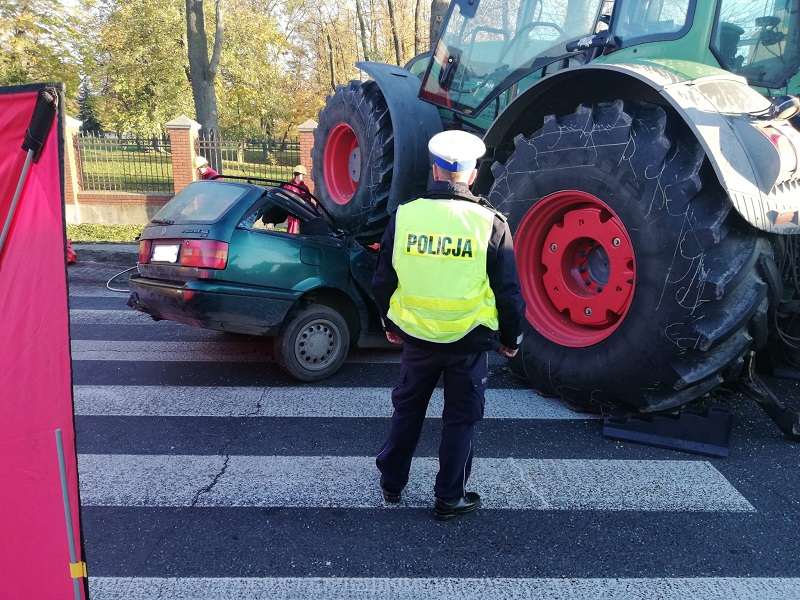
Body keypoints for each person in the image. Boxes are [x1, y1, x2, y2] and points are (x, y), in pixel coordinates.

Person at [370, 129, 525, 521]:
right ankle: (449, 497)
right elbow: (507, 290)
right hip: (468, 344)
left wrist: (389, 321)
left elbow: (383, 279)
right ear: (472, 176)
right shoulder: (490, 223)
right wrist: (511, 338)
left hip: (418, 339)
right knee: (460, 419)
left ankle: (392, 483)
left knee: (407, 411)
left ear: (435, 170)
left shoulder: (405, 215)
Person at [283, 165, 311, 233]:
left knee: (303, 228)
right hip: (292, 211)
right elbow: (284, 198)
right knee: (292, 227)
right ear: (297, 174)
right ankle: (291, 239)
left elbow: (308, 200)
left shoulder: (305, 188)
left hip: (302, 211)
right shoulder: (289, 186)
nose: (303, 176)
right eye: (302, 174)